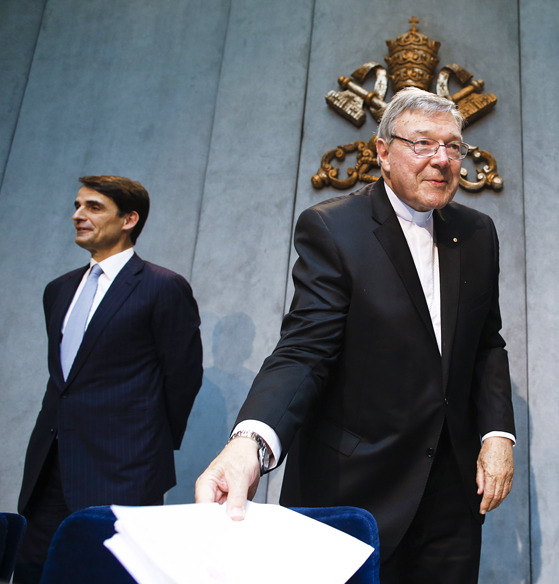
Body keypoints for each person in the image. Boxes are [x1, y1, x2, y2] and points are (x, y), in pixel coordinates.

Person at [196, 87, 515, 583]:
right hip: (352, 488)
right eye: (423, 144)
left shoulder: (476, 232)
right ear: (383, 152)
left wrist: (497, 434)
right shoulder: (333, 228)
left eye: (454, 147)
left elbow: (487, 343)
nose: (442, 160)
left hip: (450, 494)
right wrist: (250, 443)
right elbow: (305, 350)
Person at [16, 176, 203, 583]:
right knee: (32, 571)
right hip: (48, 469)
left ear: (129, 219)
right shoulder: (58, 290)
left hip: (124, 472)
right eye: (78, 206)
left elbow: (183, 377)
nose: (78, 215)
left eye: (93, 207)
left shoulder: (163, 287)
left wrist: (144, 446)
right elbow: (64, 383)